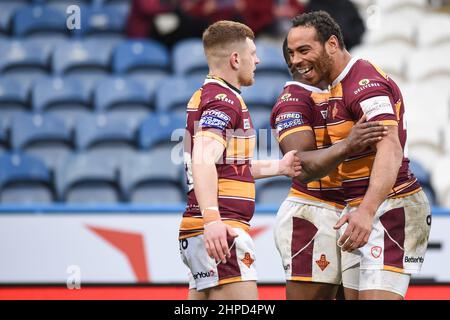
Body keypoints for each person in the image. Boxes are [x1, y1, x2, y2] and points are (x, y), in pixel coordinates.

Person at [286, 11, 431, 300]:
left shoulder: (363, 82)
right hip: (358, 210)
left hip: (391, 207)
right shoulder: (335, 87)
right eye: (291, 53)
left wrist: (366, 210)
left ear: (331, 44)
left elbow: (390, 147)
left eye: (304, 50)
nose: (295, 60)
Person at [179, 20, 301, 300]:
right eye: (253, 53)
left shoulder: (205, 95)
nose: (257, 60)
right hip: (222, 230)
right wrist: (213, 222)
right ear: (235, 59)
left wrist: (279, 167)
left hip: (204, 228)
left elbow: (226, 166)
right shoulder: (223, 100)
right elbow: (202, 157)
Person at [271, 38, 387, 299]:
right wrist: (348, 145)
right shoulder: (293, 100)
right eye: (297, 53)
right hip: (313, 211)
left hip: (350, 211)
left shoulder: (346, 89)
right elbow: (301, 166)